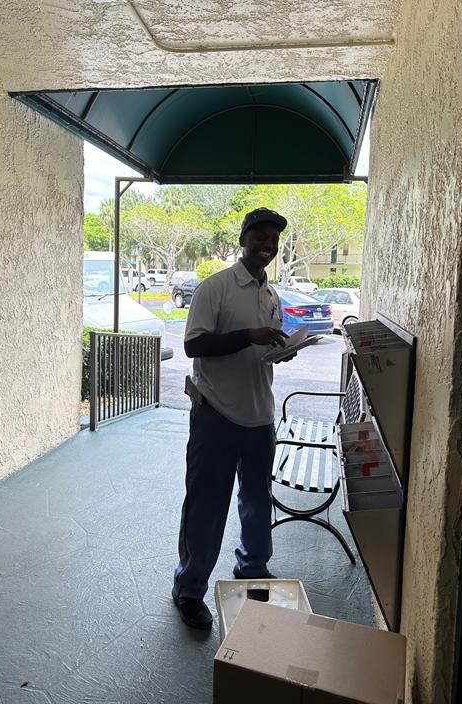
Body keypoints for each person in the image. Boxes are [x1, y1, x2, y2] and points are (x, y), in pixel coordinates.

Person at [172, 207, 293, 630]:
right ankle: (189, 590)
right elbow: (194, 346)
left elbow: (264, 347)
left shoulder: (271, 294)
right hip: (217, 414)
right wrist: (250, 337)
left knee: (258, 502)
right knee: (207, 504)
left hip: (260, 415)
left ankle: (252, 569)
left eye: (274, 238)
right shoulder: (215, 288)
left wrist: (283, 348)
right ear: (243, 239)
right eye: (260, 235)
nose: (268, 243)